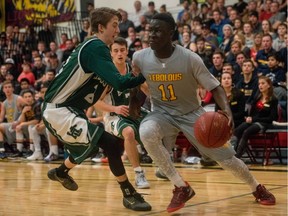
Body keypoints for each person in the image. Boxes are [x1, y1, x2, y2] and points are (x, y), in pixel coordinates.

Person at [132, 13, 276, 213]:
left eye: (158, 31)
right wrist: (134, 107)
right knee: (146, 132)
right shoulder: (139, 57)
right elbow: (136, 87)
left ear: (171, 33)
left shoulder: (190, 58)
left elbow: (215, 88)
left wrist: (227, 113)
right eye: (150, 30)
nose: (151, 35)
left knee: (226, 159)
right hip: (161, 112)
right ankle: (181, 187)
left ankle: (256, 187)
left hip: (192, 113)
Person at [42, 7, 151, 212]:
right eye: (114, 26)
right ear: (100, 28)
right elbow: (119, 83)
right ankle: (128, 193)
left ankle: (61, 172)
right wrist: (146, 73)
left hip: (70, 109)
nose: (117, 30)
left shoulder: (96, 51)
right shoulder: (96, 47)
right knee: (109, 143)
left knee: (90, 145)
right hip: (58, 110)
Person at [94, 37, 150, 189]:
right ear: (111, 53)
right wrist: (115, 109)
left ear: (127, 52)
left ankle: (163, 166)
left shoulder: (133, 70)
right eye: (116, 51)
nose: (119, 53)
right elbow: (95, 101)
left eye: (122, 50)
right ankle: (139, 174)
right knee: (129, 132)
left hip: (133, 110)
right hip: (113, 116)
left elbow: (146, 89)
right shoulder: (106, 74)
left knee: (158, 123)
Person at [233, 76, 279, 158]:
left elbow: (272, 118)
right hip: (254, 122)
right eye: (259, 84)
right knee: (238, 129)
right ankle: (232, 152)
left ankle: (237, 156)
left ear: (268, 85)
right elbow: (252, 114)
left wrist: (253, 119)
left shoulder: (273, 100)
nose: (260, 85)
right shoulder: (257, 98)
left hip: (265, 123)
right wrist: (248, 117)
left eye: (263, 83)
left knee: (247, 131)